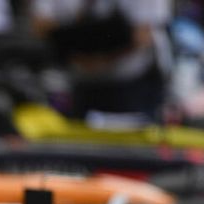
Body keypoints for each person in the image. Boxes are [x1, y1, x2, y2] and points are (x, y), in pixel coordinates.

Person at [29, 0, 173, 120]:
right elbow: (40, 24)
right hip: (77, 81)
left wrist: (100, 61)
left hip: (131, 83)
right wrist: (80, 57)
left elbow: (143, 33)